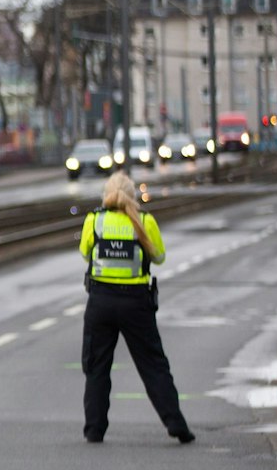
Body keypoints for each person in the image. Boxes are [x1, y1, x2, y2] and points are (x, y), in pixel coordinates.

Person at [77, 171, 195, 445]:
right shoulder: (144, 221)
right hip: (136, 304)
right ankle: (176, 423)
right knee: (153, 365)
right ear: (132, 196)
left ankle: (94, 430)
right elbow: (160, 257)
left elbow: (85, 252)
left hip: (100, 302)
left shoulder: (94, 221)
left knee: (96, 367)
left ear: (106, 194)